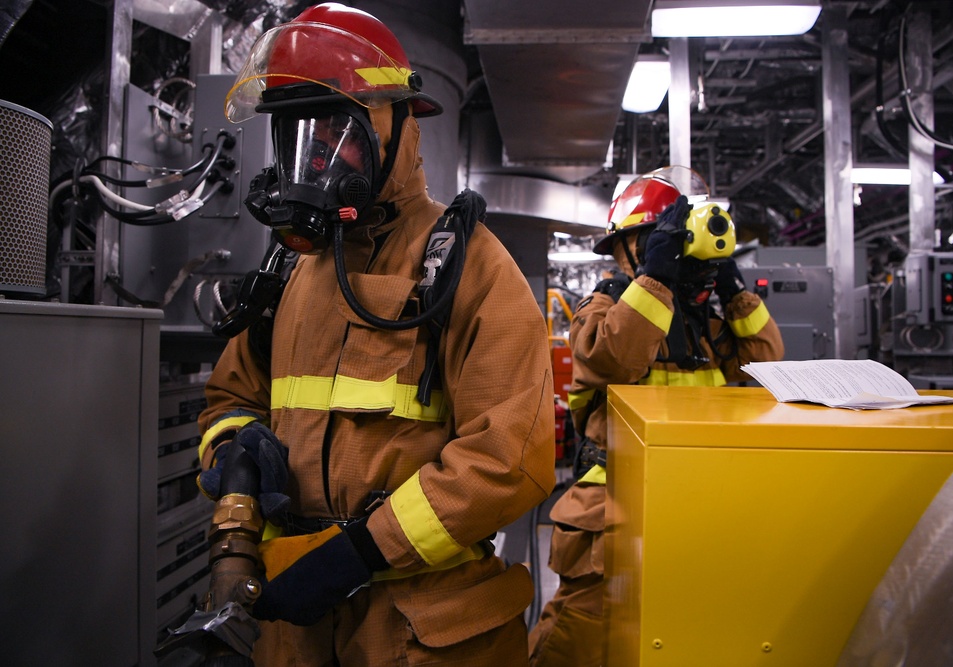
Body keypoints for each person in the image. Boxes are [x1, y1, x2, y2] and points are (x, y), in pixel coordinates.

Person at [195, 4, 556, 665]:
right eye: (301, 134)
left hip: (422, 629)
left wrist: (360, 551)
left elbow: (512, 455)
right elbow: (229, 396)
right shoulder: (292, 272)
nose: (318, 156)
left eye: (338, 130)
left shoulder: (469, 262)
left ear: (393, 129)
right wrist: (235, 458)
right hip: (297, 624)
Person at [527, 166, 784, 667]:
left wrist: (736, 295)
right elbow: (613, 358)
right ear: (634, 249)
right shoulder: (603, 307)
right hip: (613, 508)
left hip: (699, 501)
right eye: (664, 241)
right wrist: (656, 278)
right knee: (577, 640)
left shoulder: (712, 323)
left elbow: (769, 375)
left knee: (684, 634)